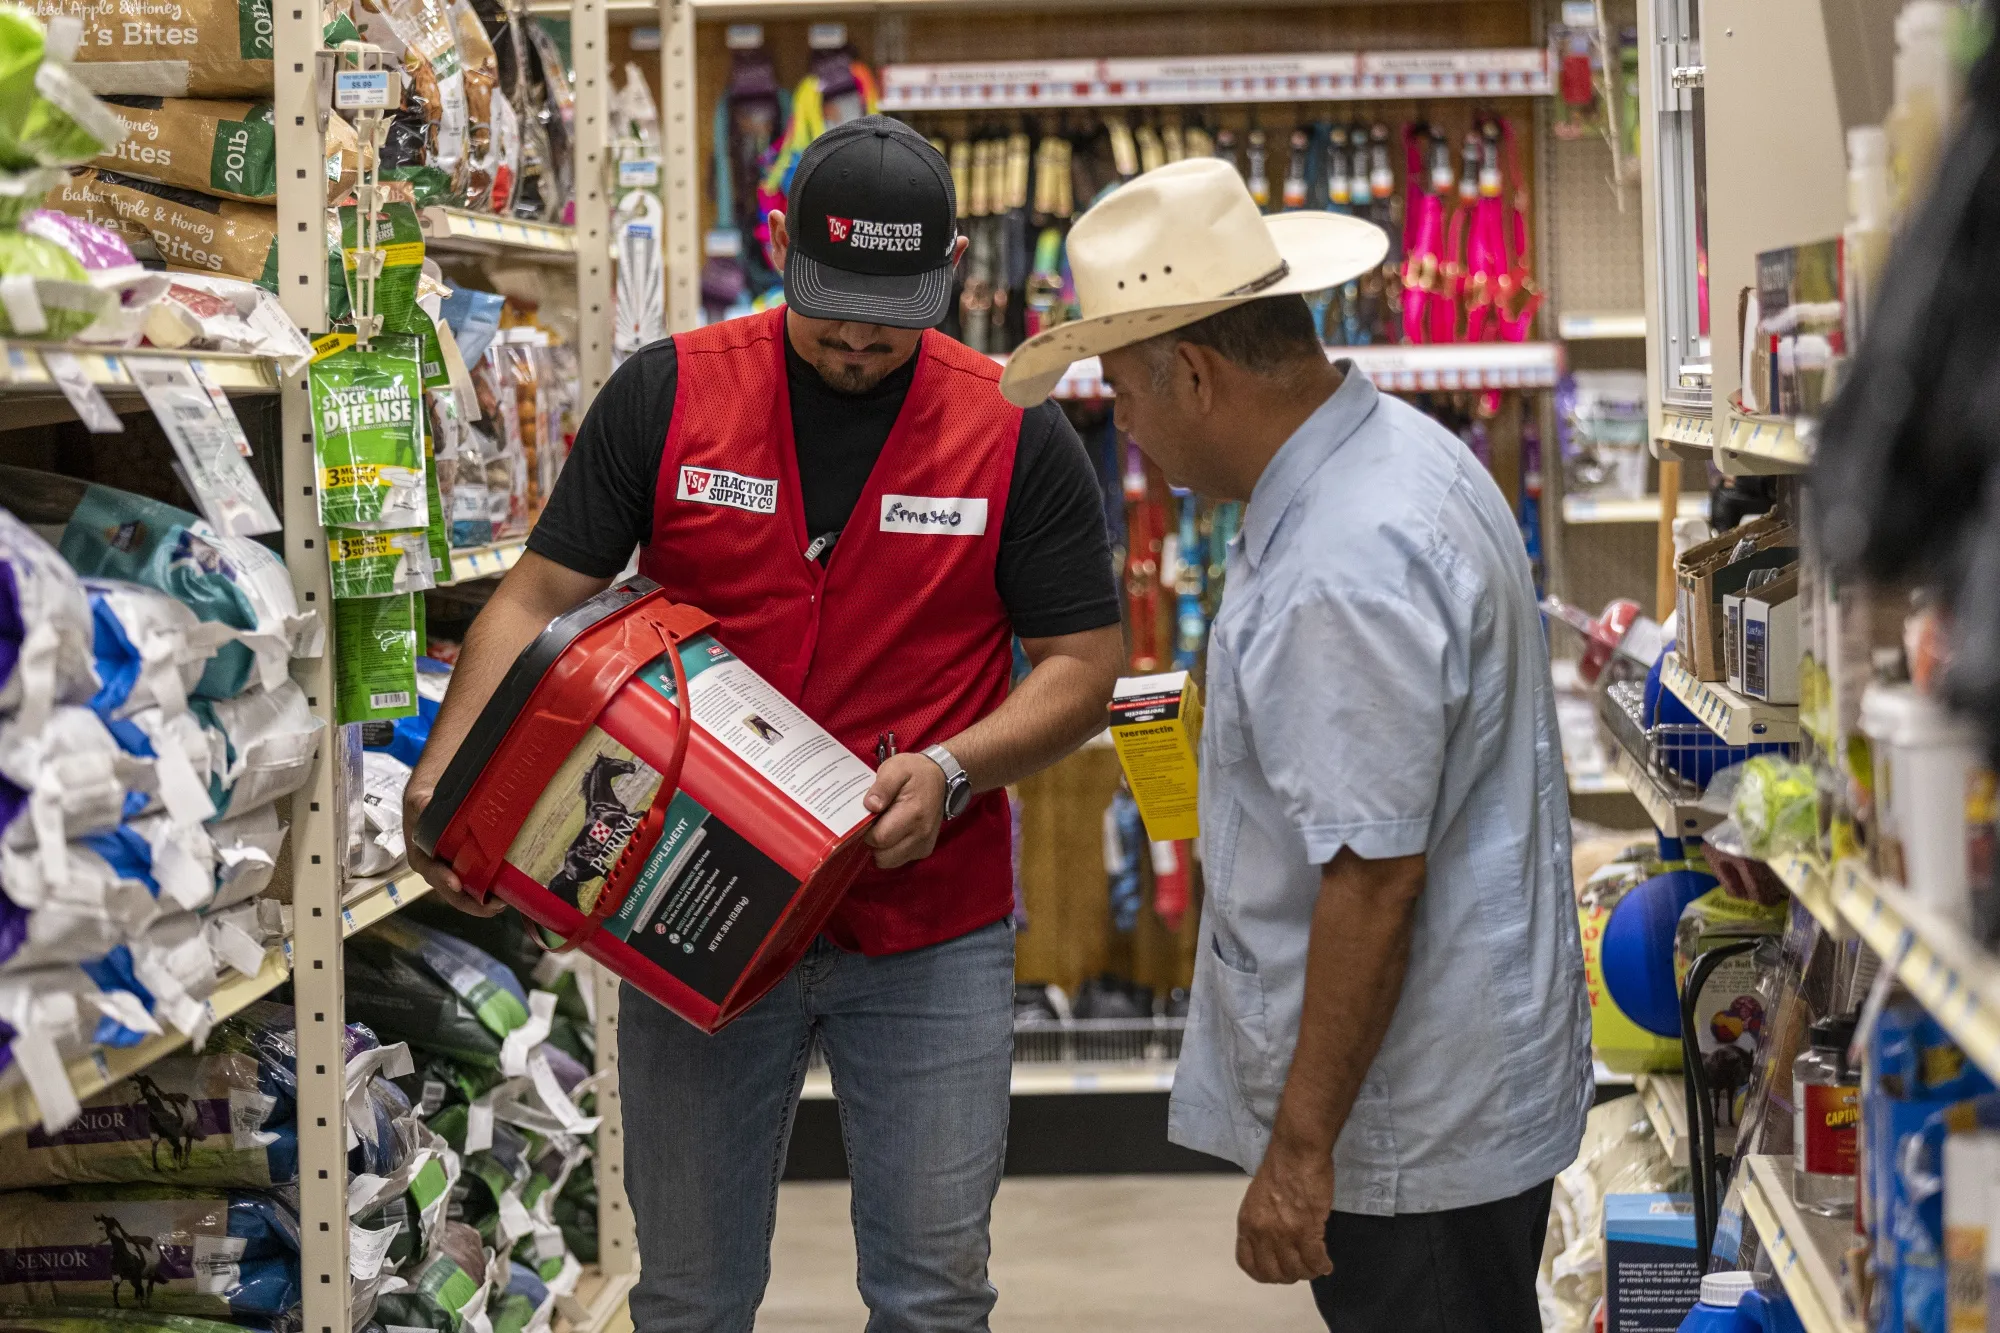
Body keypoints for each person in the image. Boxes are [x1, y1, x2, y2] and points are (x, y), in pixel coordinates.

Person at [407, 116, 1124, 1332]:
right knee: (687, 1292)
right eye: (827, 299)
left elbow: (1082, 663)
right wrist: (448, 779)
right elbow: (533, 594)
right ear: (779, 245)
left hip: (926, 929)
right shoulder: (670, 392)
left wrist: (954, 768)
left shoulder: (1015, 426)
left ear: (951, 267)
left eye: (889, 312)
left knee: (934, 1290)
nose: (852, 335)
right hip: (686, 907)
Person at [1000, 158, 1592, 1332]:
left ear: (1201, 377)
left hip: (1405, 1130)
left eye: (1123, 392)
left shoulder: (1343, 562)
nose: (1122, 426)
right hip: (1448, 1088)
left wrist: (1299, 1153)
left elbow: (1372, 877)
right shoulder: (1395, 459)